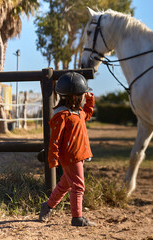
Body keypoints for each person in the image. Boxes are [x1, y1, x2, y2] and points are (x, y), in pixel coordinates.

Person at [39, 72, 96, 227]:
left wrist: (90, 99)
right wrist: (54, 158)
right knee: (78, 186)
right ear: (74, 96)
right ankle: (77, 218)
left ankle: (48, 206)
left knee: (65, 185)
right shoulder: (62, 115)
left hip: (80, 156)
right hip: (71, 158)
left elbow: (88, 113)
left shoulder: (79, 112)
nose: (84, 96)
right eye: (83, 94)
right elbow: (55, 140)